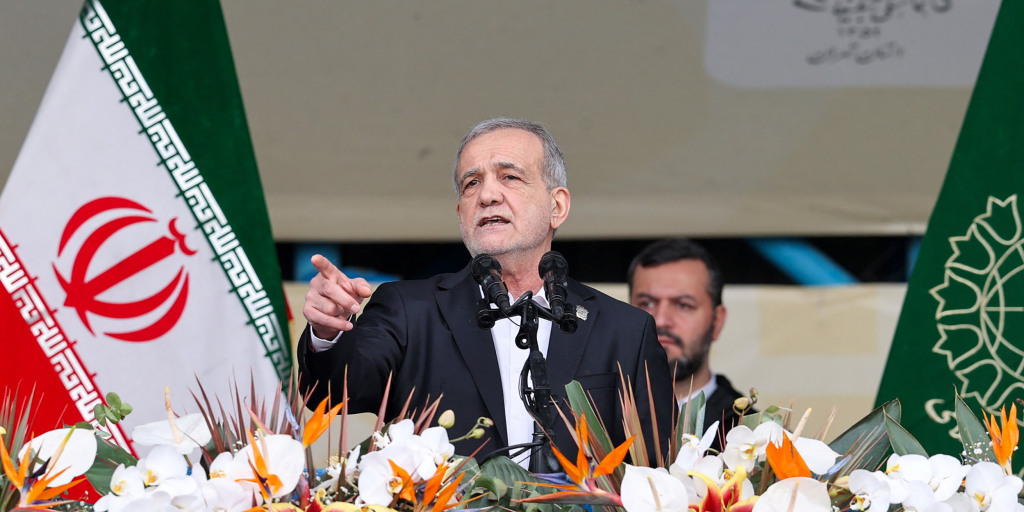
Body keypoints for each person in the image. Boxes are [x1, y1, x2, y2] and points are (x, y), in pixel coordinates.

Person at [299, 118, 673, 465]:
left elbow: (655, 471)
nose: (487, 195)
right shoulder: (410, 310)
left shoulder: (625, 330)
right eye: (471, 183)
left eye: (509, 177)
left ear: (556, 206)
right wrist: (329, 332)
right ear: (461, 211)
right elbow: (332, 394)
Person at [627, 238, 750, 441]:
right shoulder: (592, 422)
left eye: (683, 305)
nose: (660, 320)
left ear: (717, 321)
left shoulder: (755, 438)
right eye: (646, 303)